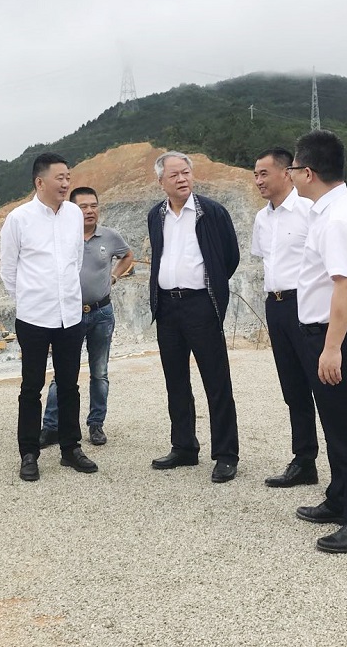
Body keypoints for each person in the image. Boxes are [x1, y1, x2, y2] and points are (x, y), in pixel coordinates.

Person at [288, 130, 347, 554]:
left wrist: (331, 348)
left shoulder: (338, 218)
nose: (290, 175)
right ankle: (340, 497)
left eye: (293, 168)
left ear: (308, 172)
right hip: (328, 332)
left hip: (338, 335)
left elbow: (345, 286)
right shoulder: (329, 209)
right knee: (337, 424)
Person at [0, 153, 96, 481]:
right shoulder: (18, 218)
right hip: (34, 317)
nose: (66, 183)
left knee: (69, 385)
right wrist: (30, 299)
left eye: (68, 177)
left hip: (70, 314)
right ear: (40, 182)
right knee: (31, 387)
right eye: (60, 178)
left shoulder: (73, 214)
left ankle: (71, 448)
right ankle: (29, 453)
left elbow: (76, 259)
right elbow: (8, 270)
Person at [147, 151, 241, 483]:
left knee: (216, 381)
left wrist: (210, 284)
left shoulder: (211, 212)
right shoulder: (156, 215)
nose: (182, 179)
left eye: (186, 172)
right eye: (174, 175)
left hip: (201, 304)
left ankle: (226, 454)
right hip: (167, 307)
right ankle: (184, 446)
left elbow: (230, 257)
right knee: (175, 381)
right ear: (161, 181)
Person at [39, 187, 134, 448]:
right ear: (71, 209)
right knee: (62, 373)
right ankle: (51, 426)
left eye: (94, 205)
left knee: (99, 373)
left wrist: (114, 276)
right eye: (83, 206)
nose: (90, 211)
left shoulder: (109, 236)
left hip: (102, 313)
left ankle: (96, 424)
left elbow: (127, 256)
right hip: (69, 314)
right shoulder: (62, 236)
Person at [250, 148, 320, 488]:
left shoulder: (309, 210)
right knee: (292, 386)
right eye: (255, 175)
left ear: (286, 173)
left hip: (305, 304)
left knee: (321, 384)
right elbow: (263, 259)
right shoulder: (261, 219)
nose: (258, 181)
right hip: (275, 306)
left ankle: (342, 461)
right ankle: (304, 461)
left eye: (263, 173)